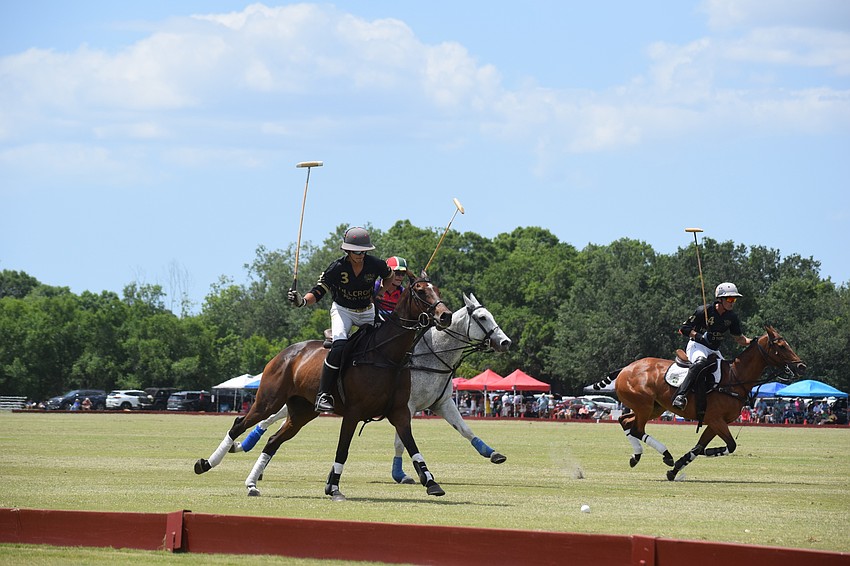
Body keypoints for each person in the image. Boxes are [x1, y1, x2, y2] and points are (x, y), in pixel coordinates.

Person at [287, 226, 392, 412]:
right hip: (343, 311)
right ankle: (323, 394)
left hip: (368, 310)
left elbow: (389, 276)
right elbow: (318, 292)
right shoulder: (337, 268)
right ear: (347, 250)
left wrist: (380, 292)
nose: (360, 255)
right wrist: (302, 301)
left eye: (364, 251)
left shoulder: (375, 264)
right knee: (340, 346)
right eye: (356, 251)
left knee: (386, 342)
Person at [674, 282, 752, 409]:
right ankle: (681, 395)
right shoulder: (703, 311)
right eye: (730, 299)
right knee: (700, 363)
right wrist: (699, 336)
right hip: (697, 346)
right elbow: (683, 329)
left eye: (734, 300)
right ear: (720, 299)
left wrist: (753, 341)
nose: (732, 302)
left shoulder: (731, 317)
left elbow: (739, 339)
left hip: (714, 350)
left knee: (729, 372)